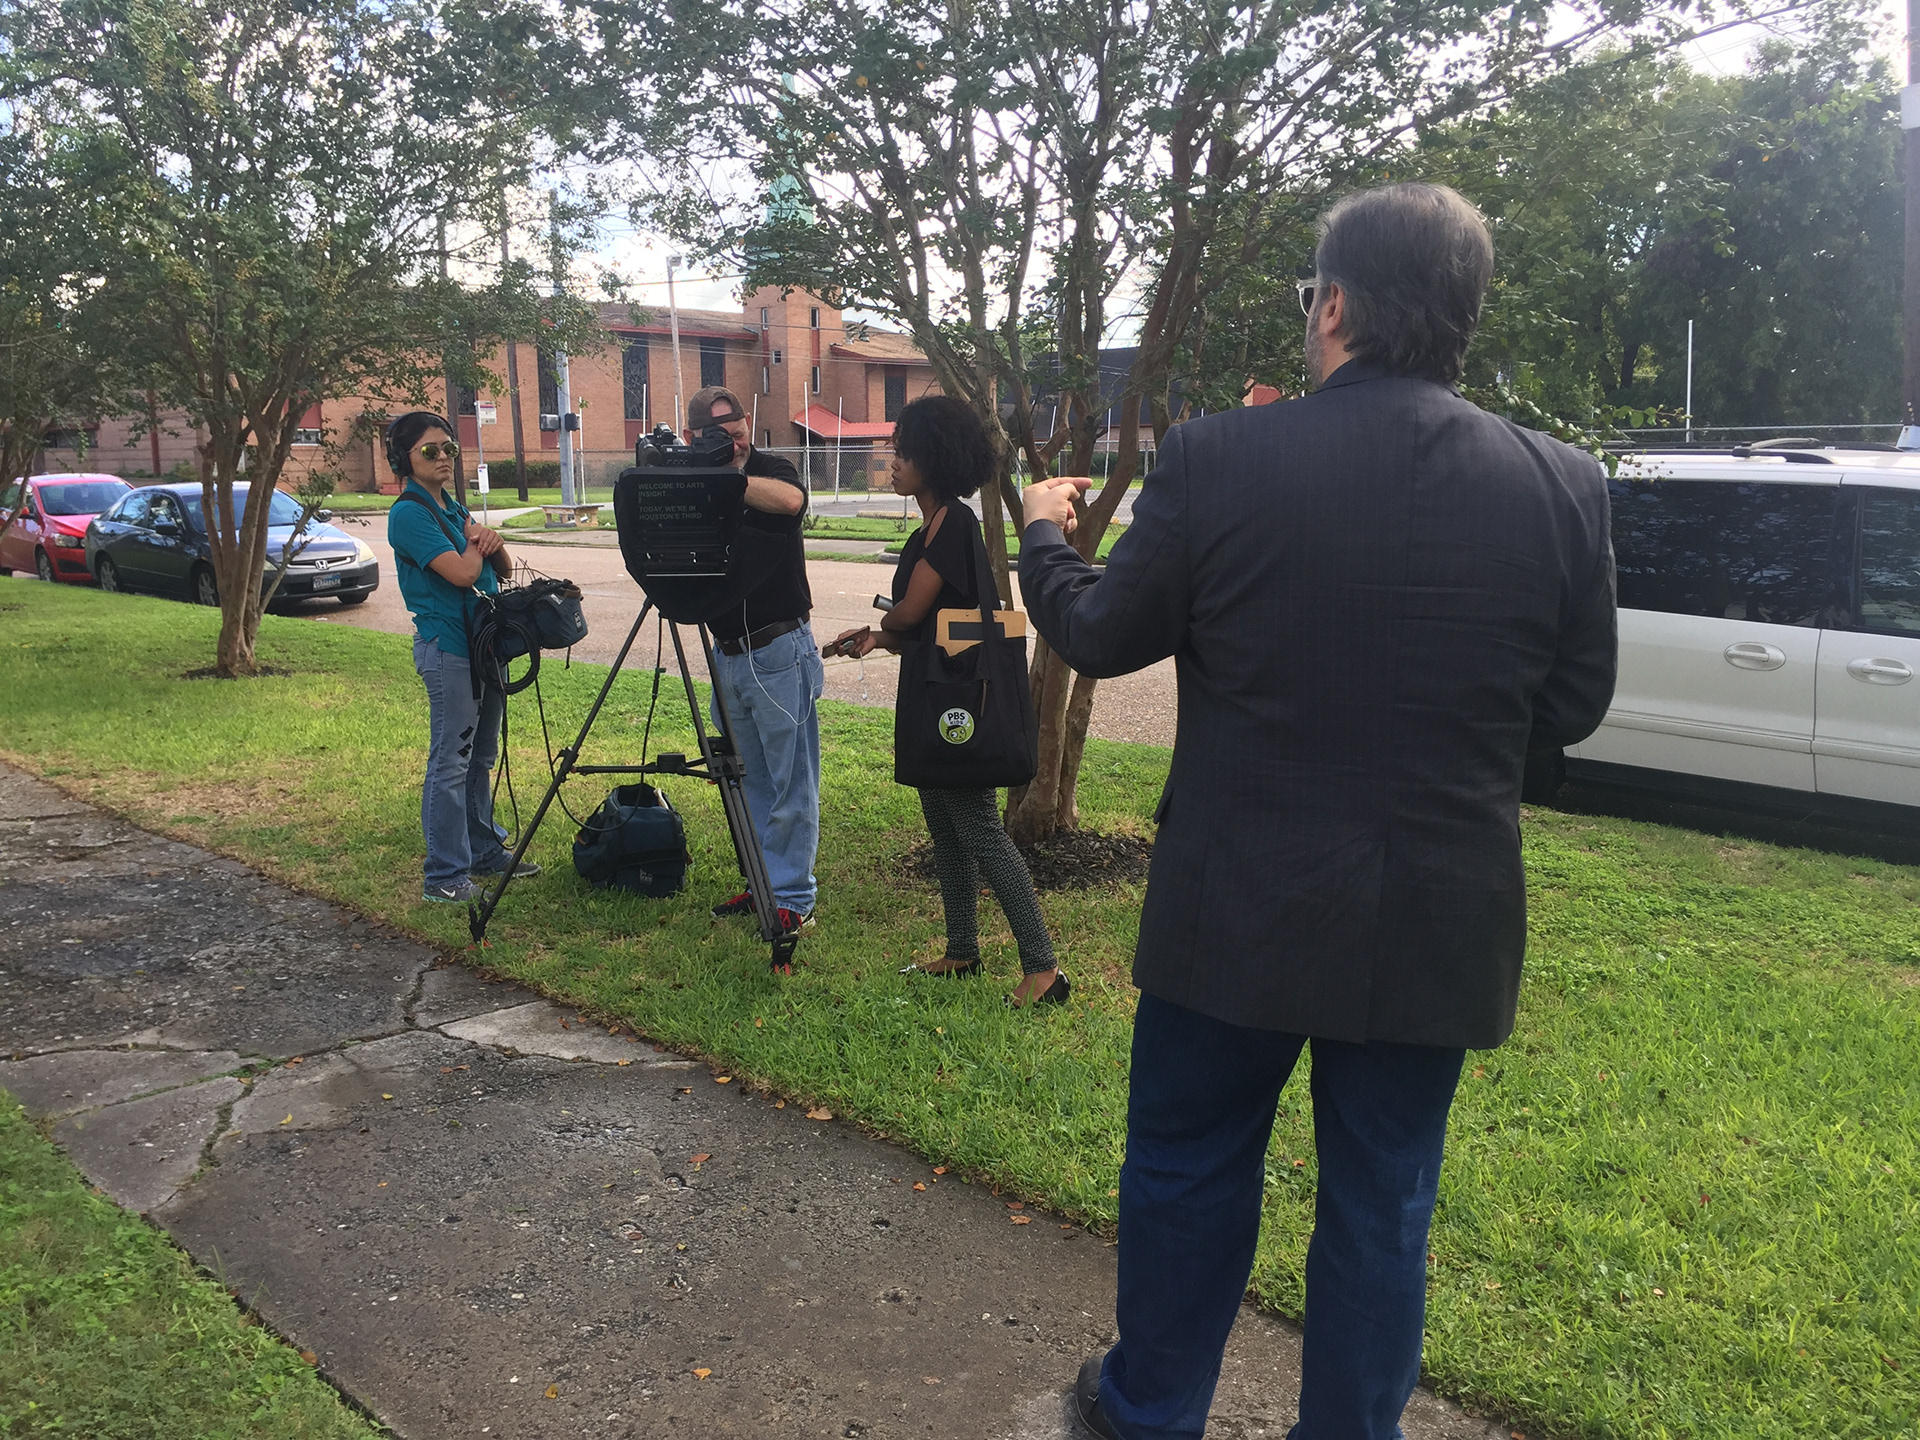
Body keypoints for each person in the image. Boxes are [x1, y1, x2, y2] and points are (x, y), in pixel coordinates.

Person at [1017, 183, 1617, 1439]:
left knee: (1187, 1165)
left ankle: (1149, 1411)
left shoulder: (1218, 459)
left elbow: (1102, 634)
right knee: (1384, 1198)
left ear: (1334, 305)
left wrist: (1042, 538)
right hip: (1438, 912)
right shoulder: (1563, 482)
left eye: (1309, 298)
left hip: (1235, 902)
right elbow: (1573, 705)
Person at [828, 396, 1064, 1009]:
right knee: (944, 826)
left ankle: (1043, 968)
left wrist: (888, 622)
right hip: (937, 694)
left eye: (904, 453)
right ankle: (962, 950)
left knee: (980, 830)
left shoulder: (954, 523)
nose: (893, 462)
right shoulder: (926, 530)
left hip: (962, 706)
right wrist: (877, 638)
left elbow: (912, 610)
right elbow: (931, 626)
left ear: (934, 459)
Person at [384, 410, 536, 905]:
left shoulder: (451, 506)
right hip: (448, 648)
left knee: (481, 756)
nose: (444, 457)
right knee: (451, 761)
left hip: (484, 644)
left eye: (449, 448)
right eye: (431, 450)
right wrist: (478, 544)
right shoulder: (409, 514)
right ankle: (444, 875)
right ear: (404, 459)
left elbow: (502, 568)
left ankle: (483, 851)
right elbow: (463, 573)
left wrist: (492, 542)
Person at [691, 385, 823, 937]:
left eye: (739, 428)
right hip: (726, 654)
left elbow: (791, 503)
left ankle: (792, 897)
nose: (735, 439)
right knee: (749, 781)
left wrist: (729, 478)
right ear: (696, 437)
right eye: (720, 433)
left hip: (779, 648)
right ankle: (763, 882)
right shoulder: (696, 477)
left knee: (792, 781)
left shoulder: (771, 470)